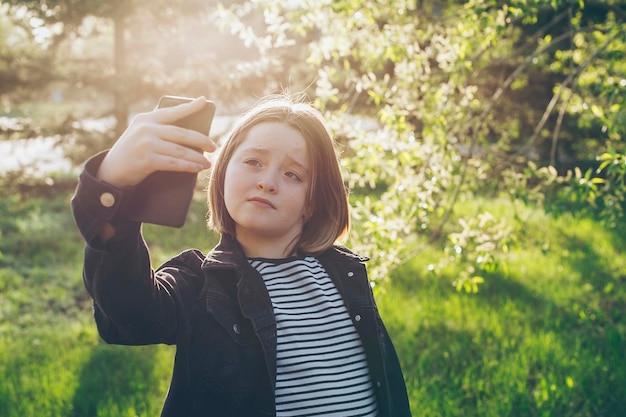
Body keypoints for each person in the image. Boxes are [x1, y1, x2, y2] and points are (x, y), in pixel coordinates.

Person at [71, 94, 412, 417]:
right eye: (253, 162)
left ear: (314, 201)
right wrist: (110, 182)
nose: (267, 181)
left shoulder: (344, 273)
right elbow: (128, 313)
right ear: (222, 174)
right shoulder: (201, 285)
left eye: (293, 174)